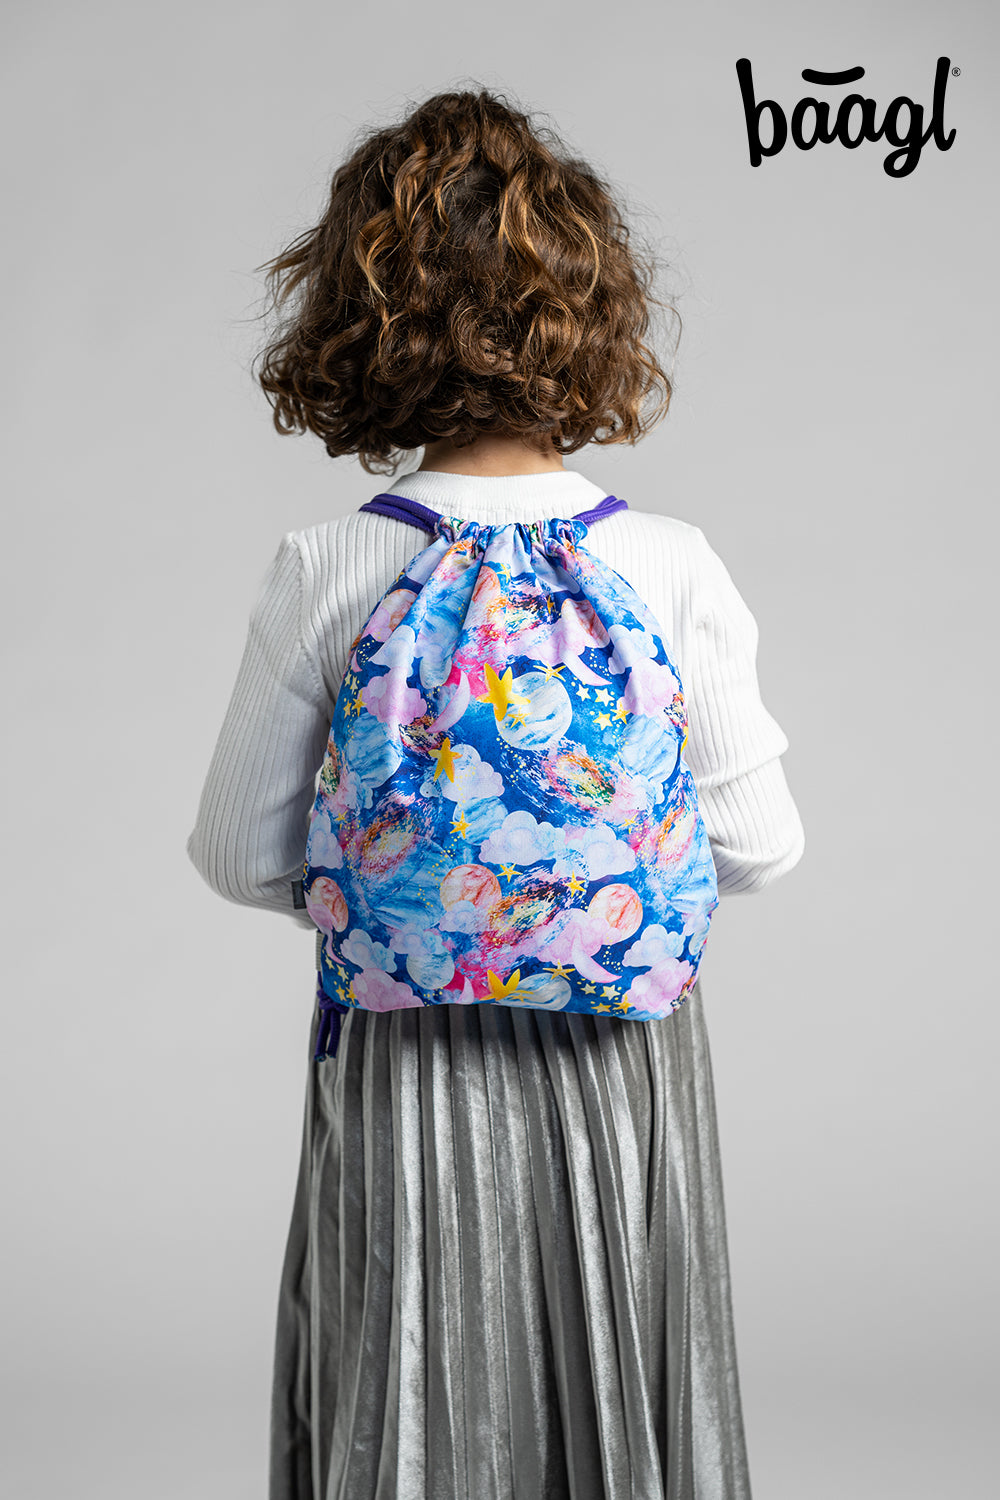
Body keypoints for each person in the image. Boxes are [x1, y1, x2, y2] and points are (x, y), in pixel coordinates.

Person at [186, 86, 805, 1500]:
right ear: (589, 313)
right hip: (625, 1060)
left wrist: (413, 898)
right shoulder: (672, 562)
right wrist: (582, 891)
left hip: (403, 1063)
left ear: (359, 324)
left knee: (412, 1394)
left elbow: (234, 851)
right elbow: (761, 844)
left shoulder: (328, 565)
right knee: (621, 1388)